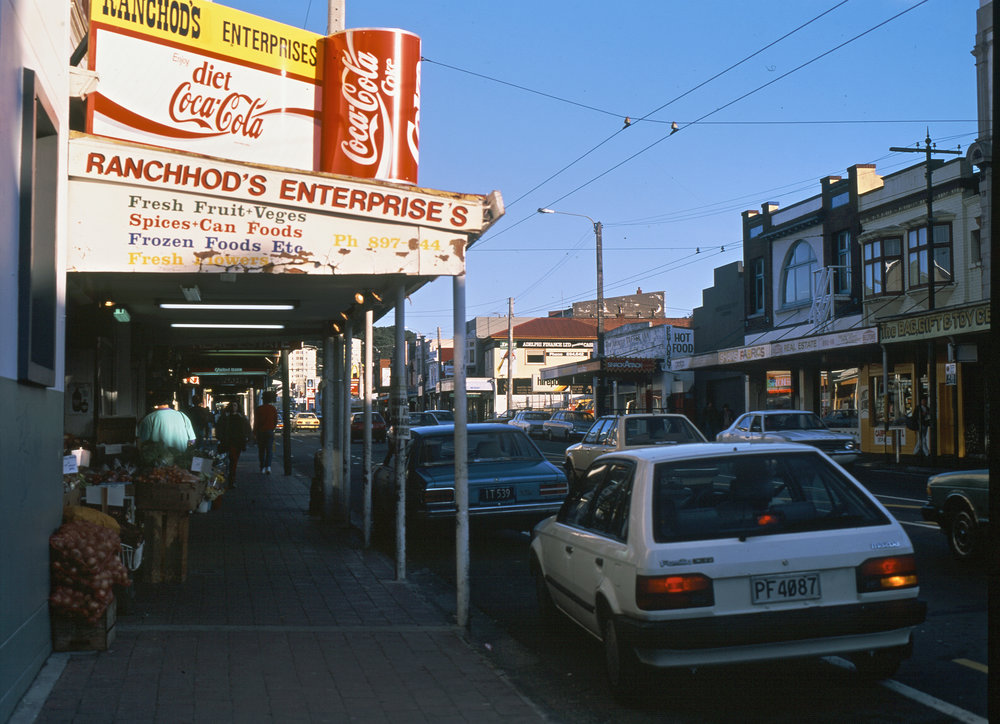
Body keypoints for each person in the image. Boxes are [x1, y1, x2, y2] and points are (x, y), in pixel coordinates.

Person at [217, 403, 252, 488]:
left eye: (235, 405)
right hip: (229, 442)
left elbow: (247, 429)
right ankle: (231, 479)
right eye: (232, 405)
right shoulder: (227, 417)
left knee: (233, 461)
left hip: (236, 442)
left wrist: (247, 437)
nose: (233, 407)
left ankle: (230, 478)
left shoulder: (239, 418)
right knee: (232, 461)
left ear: (238, 407)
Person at [253, 391, 279, 474]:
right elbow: (275, 421)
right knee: (269, 450)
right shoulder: (273, 409)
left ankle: (262, 467)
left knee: (261, 450)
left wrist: (254, 433)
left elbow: (256, 422)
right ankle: (268, 467)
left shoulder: (259, 409)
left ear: (263, 400)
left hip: (261, 432)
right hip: (269, 431)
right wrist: (272, 428)